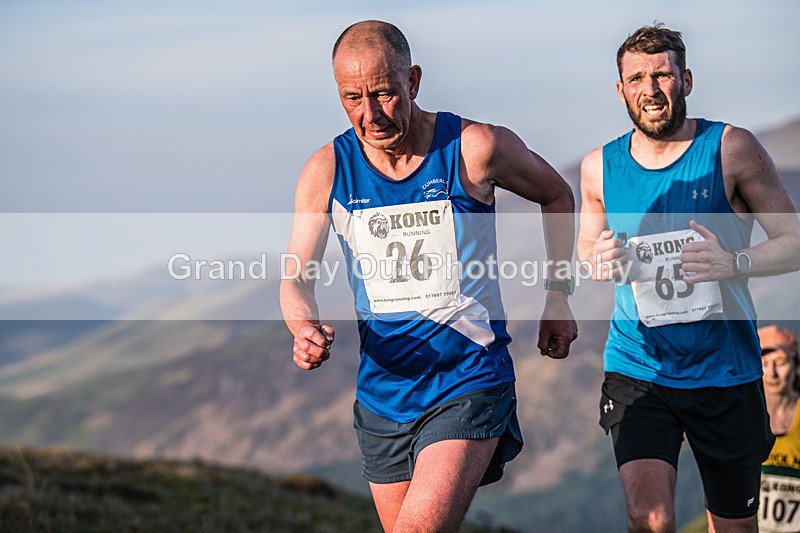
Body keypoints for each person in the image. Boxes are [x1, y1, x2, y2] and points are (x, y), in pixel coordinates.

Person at [279, 20, 578, 533]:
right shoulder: (327, 170)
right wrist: (301, 327)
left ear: (413, 81)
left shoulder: (474, 147)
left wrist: (558, 295)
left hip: (469, 378)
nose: (369, 114)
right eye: (352, 98)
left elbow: (558, 196)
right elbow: (295, 278)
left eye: (384, 94)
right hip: (383, 395)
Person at [577, 24, 800, 533]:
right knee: (648, 518)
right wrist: (599, 259)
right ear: (620, 89)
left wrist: (733, 263)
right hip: (639, 366)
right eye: (636, 78)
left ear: (687, 79)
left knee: (735, 527)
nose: (650, 90)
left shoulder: (731, 148)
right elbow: (588, 251)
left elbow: (794, 242)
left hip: (725, 371)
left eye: (662, 75)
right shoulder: (598, 168)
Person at [760, 324, 800, 533]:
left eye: (780, 362)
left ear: (795, 364)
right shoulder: (741, 419)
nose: (772, 373)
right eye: (765, 363)